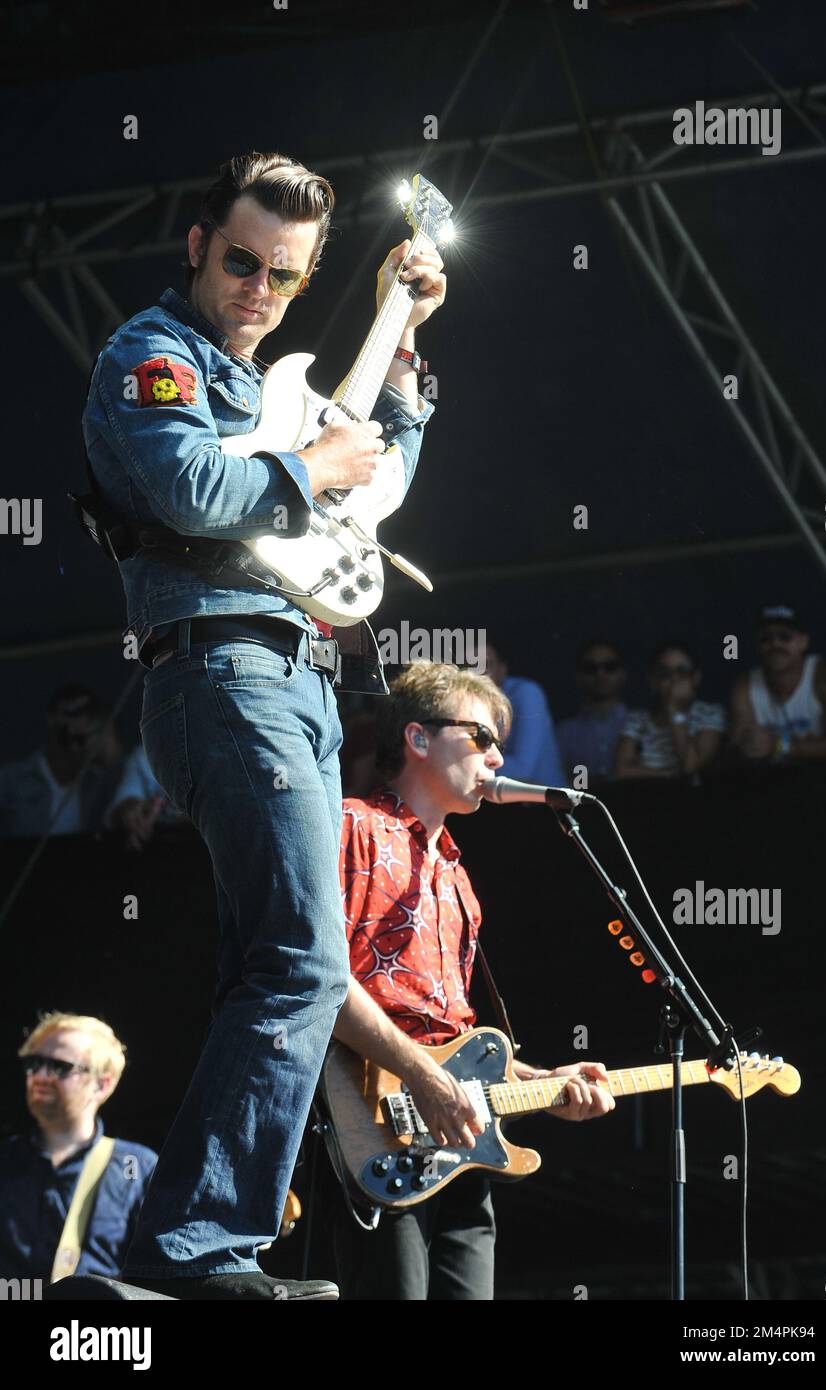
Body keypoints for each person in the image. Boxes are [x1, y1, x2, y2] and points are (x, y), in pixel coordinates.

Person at [81, 151, 445, 1300]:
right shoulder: (149, 355)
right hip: (220, 668)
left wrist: (403, 353)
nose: (259, 289)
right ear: (198, 247)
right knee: (301, 959)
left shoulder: (268, 384)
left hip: (301, 679)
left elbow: (366, 484)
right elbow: (190, 488)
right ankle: (195, 1243)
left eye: (285, 277)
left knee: (269, 961)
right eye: (241, 262)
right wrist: (311, 462)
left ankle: (196, 1243)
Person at [327, 660, 614, 1300]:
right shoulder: (352, 826)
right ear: (418, 739)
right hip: (373, 1122)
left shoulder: (458, 875)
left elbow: (456, 1039)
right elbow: (321, 981)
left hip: (459, 1136)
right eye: (481, 737)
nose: (496, 758)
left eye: (500, 745)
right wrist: (426, 1079)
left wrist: (539, 1083)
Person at [0, 1013, 157, 1282]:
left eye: (59, 1066)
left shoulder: (136, 1166)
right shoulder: (5, 1159)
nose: (40, 1076)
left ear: (102, 1084)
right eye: (34, 1064)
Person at [729, 605, 826, 763]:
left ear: (804, 642)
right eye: (766, 639)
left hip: (825, 776)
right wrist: (748, 743)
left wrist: (779, 746)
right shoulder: (745, 684)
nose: (775, 645)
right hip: (768, 779)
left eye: (785, 637)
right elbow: (736, 745)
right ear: (758, 647)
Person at [0, 685, 123, 839]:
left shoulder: (99, 783)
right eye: (72, 711)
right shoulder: (12, 780)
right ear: (52, 719)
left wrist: (110, 747)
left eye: (89, 714)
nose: (78, 722)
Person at [615, 641, 725, 779]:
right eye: (665, 673)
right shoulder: (637, 718)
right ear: (653, 681)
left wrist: (675, 710)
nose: (674, 679)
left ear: (695, 678)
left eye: (682, 671)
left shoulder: (711, 713)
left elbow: (690, 766)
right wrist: (668, 775)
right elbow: (622, 771)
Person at [483, 639, 564, 786]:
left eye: (485, 665)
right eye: (469, 666)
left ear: (502, 670)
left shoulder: (526, 693)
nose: (477, 673)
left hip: (550, 805)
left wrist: (466, 761)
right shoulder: (466, 704)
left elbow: (522, 769)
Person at [556, 638, 629, 782]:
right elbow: (563, 782)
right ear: (578, 676)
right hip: (584, 803)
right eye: (591, 668)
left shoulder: (641, 725)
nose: (600, 674)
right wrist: (586, 782)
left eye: (610, 667)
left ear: (623, 674)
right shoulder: (565, 733)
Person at [105, 743, 186, 851]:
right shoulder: (143, 755)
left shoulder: (212, 747)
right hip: (158, 850)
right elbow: (119, 809)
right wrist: (132, 813)